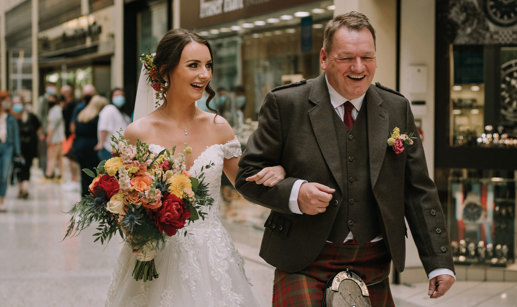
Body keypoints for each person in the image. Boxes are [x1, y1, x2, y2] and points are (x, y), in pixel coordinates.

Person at [236, 11, 455, 306]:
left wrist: (438, 260)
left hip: (373, 259)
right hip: (303, 260)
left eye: (367, 57)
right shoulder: (286, 104)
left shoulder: (395, 107)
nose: (358, 67)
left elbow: (418, 190)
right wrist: (295, 193)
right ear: (324, 58)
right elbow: (247, 175)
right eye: (346, 58)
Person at [106, 28, 285, 307]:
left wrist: (280, 173)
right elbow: (122, 202)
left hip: (212, 256)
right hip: (156, 256)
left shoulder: (219, 127)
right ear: (165, 71)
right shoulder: (138, 132)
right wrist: (138, 230)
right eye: (193, 65)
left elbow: (247, 184)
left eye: (208, 65)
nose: (204, 75)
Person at [74, 94, 107, 196]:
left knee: (84, 172)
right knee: (93, 173)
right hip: (91, 147)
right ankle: (91, 194)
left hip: (80, 145)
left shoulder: (82, 114)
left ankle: (84, 194)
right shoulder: (97, 117)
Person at [11, 95, 41, 198]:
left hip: (29, 147)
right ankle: (20, 189)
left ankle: (25, 189)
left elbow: (38, 127)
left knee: (27, 167)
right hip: (16, 148)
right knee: (17, 168)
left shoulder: (30, 116)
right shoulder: (11, 118)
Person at [94, 88, 131, 161]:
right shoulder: (109, 109)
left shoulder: (123, 114)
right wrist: (101, 144)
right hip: (109, 150)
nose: (120, 97)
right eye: (117, 95)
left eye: (121, 95)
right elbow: (104, 128)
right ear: (111, 98)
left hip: (120, 152)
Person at [0, 91, 21, 211]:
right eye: (5, 100)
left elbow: (16, 135)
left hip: (7, 147)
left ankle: (2, 200)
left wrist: (18, 152)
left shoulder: (11, 118)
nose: (7, 103)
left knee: (4, 175)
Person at [60, 85, 80, 191]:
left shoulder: (73, 105)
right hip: (66, 135)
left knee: (72, 158)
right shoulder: (65, 105)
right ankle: (73, 179)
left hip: (72, 135)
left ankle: (75, 180)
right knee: (69, 158)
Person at [45, 94, 65, 180]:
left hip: (54, 138)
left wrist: (49, 137)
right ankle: (60, 173)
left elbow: (52, 126)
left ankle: (49, 174)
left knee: (51, 156)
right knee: (59, 157)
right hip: (59, 138)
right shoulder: (57, 109)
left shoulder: (55, 110)